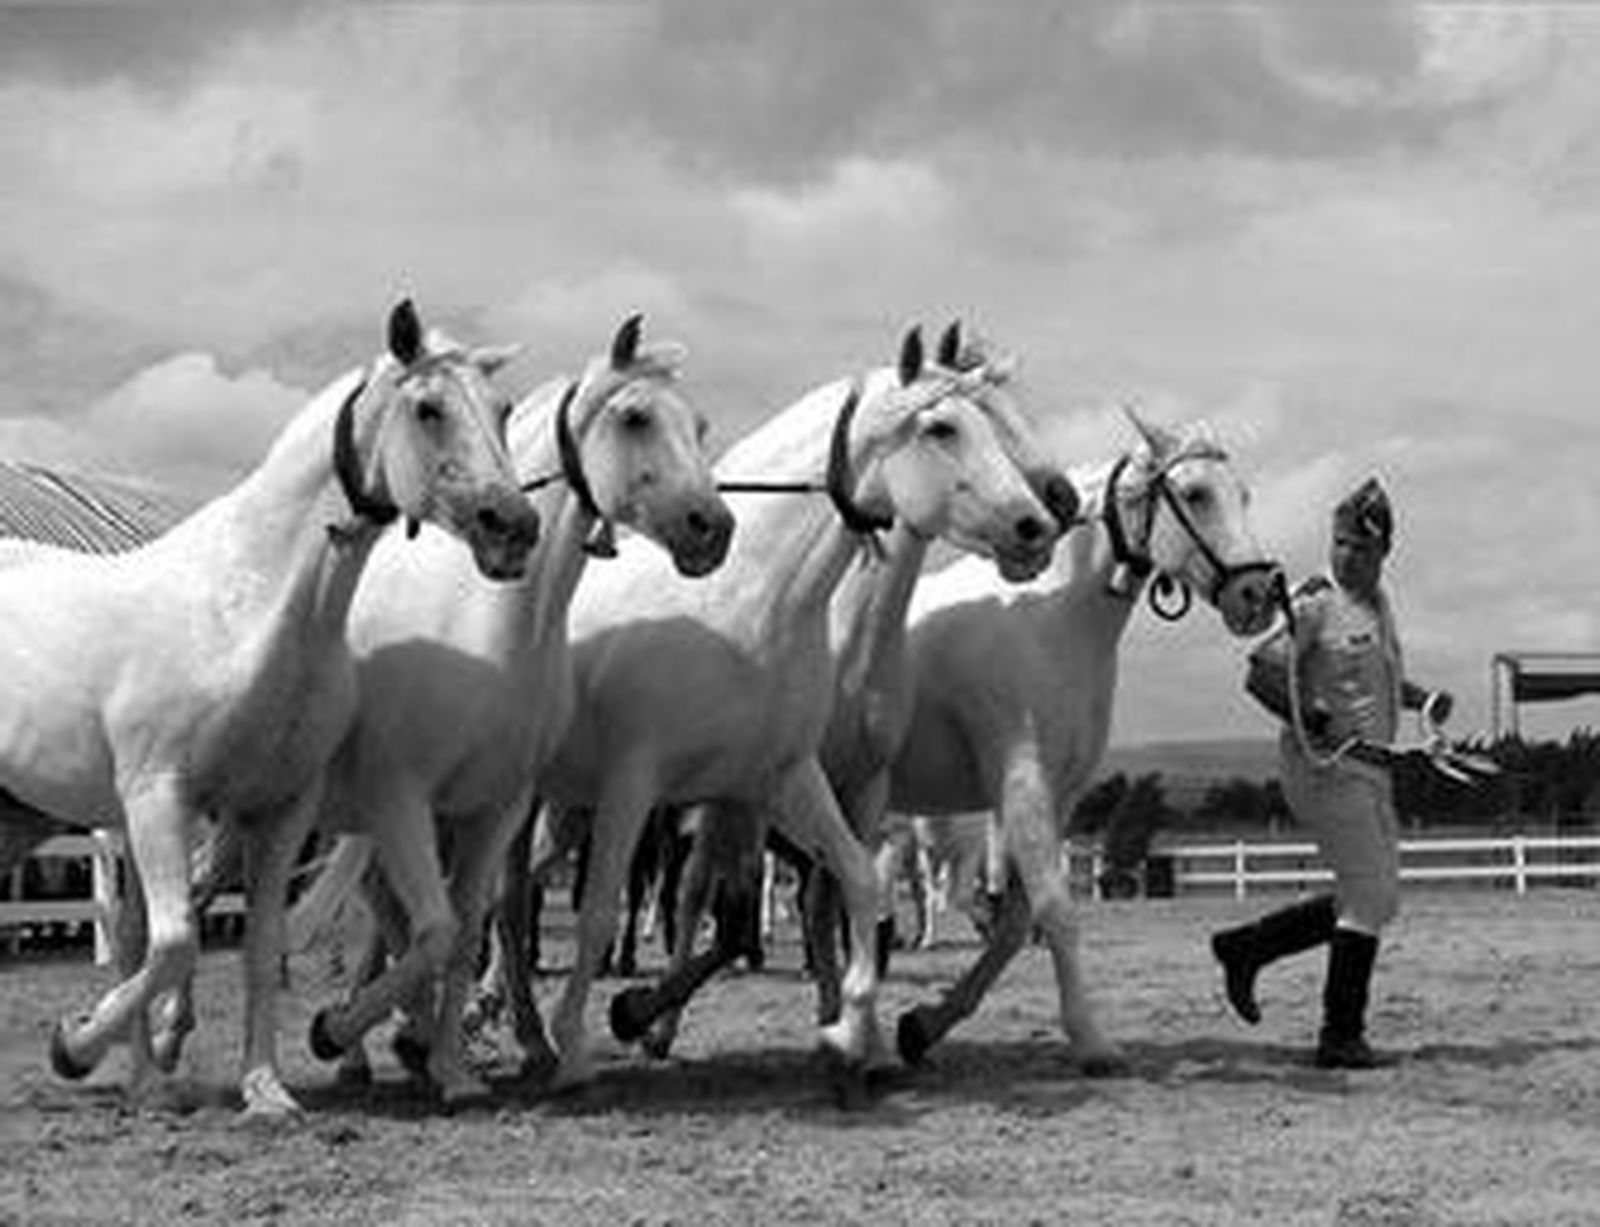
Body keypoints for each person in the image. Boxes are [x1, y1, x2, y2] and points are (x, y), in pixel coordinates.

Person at [1210, 476, 1453, 1069]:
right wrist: (1314, 719)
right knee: (1371, 895)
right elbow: (1260, 674)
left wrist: (1422, 700)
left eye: (1361, 547)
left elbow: (1374, 679)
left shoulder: (1378, 604)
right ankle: (1339, 1034)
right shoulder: (1314, 601)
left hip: (1371, 770)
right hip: (1325, 768)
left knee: (1375, 897)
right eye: (1341, 542)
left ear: (1383, 551)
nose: (1347, 555)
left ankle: (1248, 946)